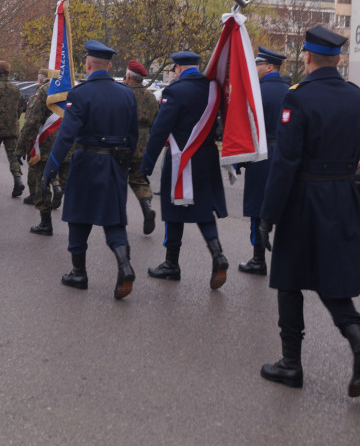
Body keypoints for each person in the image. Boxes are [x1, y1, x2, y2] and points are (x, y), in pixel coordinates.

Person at [257, 27, 360, 397]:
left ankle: (291, 364)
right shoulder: (358, 98)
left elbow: (286, 162)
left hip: (304, 198)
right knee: (333, 279)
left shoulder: (299, 99)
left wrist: (267, 216)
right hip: (343, 195)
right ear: (338, 59)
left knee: (289, 280)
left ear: (307, 58)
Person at [42, 41, 138, 299]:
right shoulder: (127, 94)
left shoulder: (80, 94)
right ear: (109, 65)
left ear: (87, 65)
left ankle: (79, 273)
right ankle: (125, 264)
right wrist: (124, 166)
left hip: (86, 161)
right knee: (114, 219)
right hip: (115, 163)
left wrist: (50, 168)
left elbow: (65, 137)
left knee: (78, 215)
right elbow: (133, 136)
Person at [141, 50, 229, 289]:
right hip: (207, 158)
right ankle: (218, 254)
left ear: (178, 68)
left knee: (173, 210)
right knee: (203, 207)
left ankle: (171, 264)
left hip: (181, 157)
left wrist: (147, 164)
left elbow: (160, 130)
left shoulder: (175, 91)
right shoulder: (213, 88)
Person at [237, 47, 290, 276]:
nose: (255, 68)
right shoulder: (291, 92)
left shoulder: (256, 92)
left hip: (260, 154)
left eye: (258, 65)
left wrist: (239, 160)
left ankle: (258, 259)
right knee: (283, 209)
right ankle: (283, 260)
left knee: (258, 207)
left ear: (269, 67)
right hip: (285, 156)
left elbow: (245, 128)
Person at [14, 68, 63, 235]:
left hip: (47, 145)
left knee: (41, 182)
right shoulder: (74, 89)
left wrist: (21, 148)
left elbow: (31, 122)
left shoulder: (44, 91)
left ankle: (45, 223)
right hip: (70, 145)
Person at [122, 60, 159, 235]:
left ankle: (118, 220)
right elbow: (156, 123)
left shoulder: (122, 94)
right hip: (144, 145)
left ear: (128, 76)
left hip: (124, 143)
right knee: (139, 179)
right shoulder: (151, 97)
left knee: (119, 180)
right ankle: (147, 205)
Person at [0, 60, 26, 197]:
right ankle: (18, 179)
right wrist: (14, 119)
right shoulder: (15, 89)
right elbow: (20, 107)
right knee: (13, 157)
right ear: (9, 72)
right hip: (11, 128)